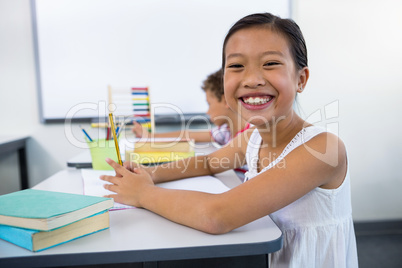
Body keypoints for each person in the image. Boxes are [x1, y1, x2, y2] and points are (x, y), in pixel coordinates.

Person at [101, 12, 358, 267]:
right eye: (236, 66)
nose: (252, 79)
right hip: (257, 258)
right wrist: (150, 174)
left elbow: (216, 216)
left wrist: (143, 193)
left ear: (300, 79)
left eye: (270, 63)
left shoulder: (323, 149)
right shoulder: (252, 139)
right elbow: (208, 163)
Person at [132, 69, 250, 146]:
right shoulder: (225, 132)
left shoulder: (250, 136)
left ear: (226, 101)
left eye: (209, 104)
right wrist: (151, 136)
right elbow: (187, 134)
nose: (207, 111)